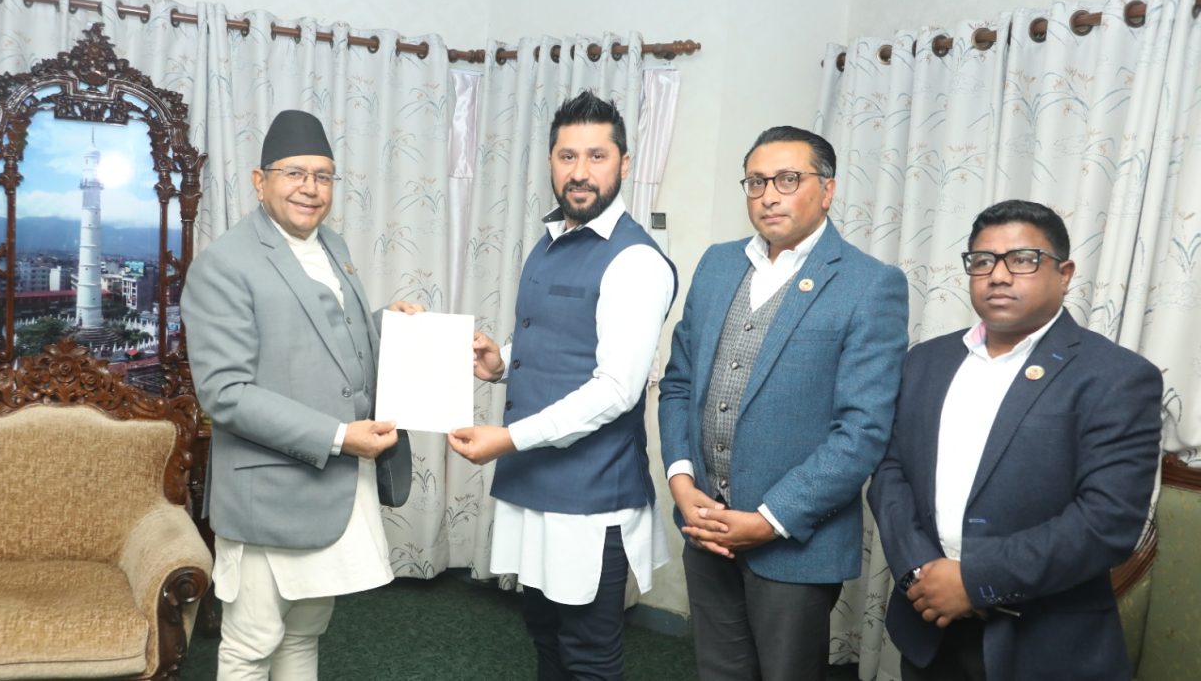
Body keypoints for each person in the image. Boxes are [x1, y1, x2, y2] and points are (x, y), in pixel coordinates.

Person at [868, 199, 1162, 680]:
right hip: (929, 627)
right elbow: (890, 470)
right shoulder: (926, 361)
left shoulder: (1117, 376)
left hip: (1045, 646)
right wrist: (919, 568)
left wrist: (973, 580)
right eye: (983, 261)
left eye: (1023, 260)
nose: (998, 276)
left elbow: (1107, 522)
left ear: (1064, 274)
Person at [658, 126, 909, 681]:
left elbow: (862, 431)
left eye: (788, 179)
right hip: (706, 525)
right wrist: (681, 482)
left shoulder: (870, 284)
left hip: (795, 544)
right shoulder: (718, 264)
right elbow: (678, 383)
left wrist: (769, 521)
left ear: (827, 189)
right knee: (718, 672)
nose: (769, 195)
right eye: (756, 182)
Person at [182, 109, 421, 681]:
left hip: (332, 487)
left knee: (303, 633)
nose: (310, 188)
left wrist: (389, 325)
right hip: (271, 493)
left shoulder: (331, 244)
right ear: (259, 180)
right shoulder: (224, 265)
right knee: (252, 644)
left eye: (322, 176)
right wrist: (338, 437)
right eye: (294, 173)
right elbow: (225, 393)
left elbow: (323, 339)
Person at [446, 90, 677, 680]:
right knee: (545, 638)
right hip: (534, 484)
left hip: (590, 498)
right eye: (567, 156)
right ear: (550, 161)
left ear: (624, 163)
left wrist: (507, 439)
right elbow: (564, 339)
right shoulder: (551, 239)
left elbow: (616, 389)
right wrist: (502, 361)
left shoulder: (636, 261)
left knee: (588, 655)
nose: (580, 172)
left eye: (597, 156)